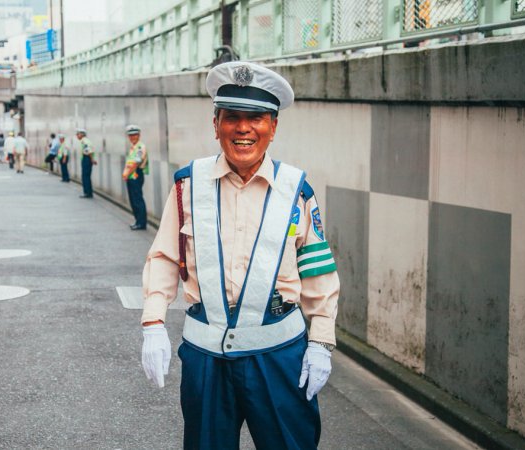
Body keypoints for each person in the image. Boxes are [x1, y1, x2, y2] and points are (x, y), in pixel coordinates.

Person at [139, 62, 340, 449]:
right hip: (206, 358)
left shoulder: (295, 189)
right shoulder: (187, 186)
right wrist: (153, 324)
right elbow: (164, 257)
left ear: (273, 127)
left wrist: (320, 343)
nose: (243, 128)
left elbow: (317, 271)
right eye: (232, 117)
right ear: (215, 124)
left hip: (279, 356)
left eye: (256, 118)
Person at [122, 125, 149, 231]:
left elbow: (136, 163)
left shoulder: (139, 147)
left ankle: (141, 223)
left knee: (137, 199)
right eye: (130, 135)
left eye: (134, 135)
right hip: (131, 175)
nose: (132, 137)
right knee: (133, 199)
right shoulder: (133, 147)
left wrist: (126, 173)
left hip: (136, 174)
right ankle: (138, 221)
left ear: (139, 135)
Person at [76, 128, 96, 198]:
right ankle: (89, 192)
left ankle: (87, 193)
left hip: (86, 158)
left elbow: (88, 151)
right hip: (87, 158)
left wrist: (92, 159)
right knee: (86, 176)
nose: (77, 135)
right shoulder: (86, 140)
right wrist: (92, 159)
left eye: (78, 134)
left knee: (85, 176)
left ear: (82, 134)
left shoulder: (84, 141)